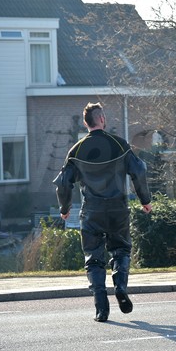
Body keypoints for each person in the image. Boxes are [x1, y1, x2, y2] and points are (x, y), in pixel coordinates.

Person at [53, 102, 152, 322]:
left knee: (93, 258)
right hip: (118, 208)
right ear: (102, 119)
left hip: (92, 211)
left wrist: (65, 208)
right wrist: (145, 200)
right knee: (121, 250)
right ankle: (120, 287)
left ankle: (101, 309)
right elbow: (138, 170)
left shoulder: (76, 150)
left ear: (86, 122)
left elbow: (63, 183)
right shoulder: (120, 145)